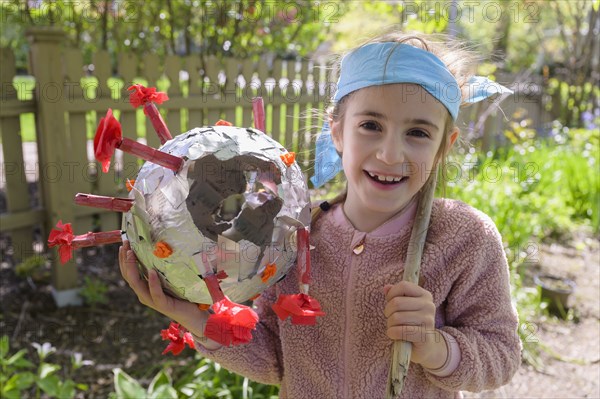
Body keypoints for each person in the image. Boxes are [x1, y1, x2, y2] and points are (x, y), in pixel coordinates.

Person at [119, 31, 521, 398]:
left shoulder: (463, 238)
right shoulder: (293, 233)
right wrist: (191, 316)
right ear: (337, 131)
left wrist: (436, 347)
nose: (390, 154)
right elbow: (275, 360)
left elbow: (501, 355)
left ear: (443, 146)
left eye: (418, 132)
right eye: (370, 125)